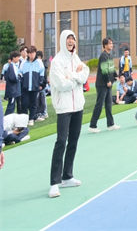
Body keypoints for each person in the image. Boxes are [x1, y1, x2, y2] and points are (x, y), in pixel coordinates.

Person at [48, 29, 90, 198]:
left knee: (73, 141)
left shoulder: (76, 58)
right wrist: (76, 77)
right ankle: (54, 182)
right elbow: (60, 84)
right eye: (68, 39)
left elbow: (85, 75)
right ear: (62, 41)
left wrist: (71, 76)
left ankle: (67, 176)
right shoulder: (57, 62)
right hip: (64, 108)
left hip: (78, 106)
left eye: (73, 39)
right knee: (61, 142)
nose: (71, 42)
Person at [89, 38, 119, 133]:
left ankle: (110, 124)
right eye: (110, 43)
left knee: (109, 104)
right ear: (105, 45)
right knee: (99, 105)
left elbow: (111, 68)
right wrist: (108, 81)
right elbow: (104, 69)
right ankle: (92, 125)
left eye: (112, 43)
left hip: (108, 85)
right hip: (102, 84)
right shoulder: (103, 56)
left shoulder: (109, 55)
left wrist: (116, 75)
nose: (111, 45)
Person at [19, 46, 45, 126]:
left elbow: (42, 74)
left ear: (35, 53)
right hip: (25, 87)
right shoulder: (23, 63)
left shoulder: (39, 62)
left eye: (33, 53)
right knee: (24, 103)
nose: (31, 55)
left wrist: (40, 84)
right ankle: (25, 119)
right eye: (30, 53)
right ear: (28, 54)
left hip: (35, 87)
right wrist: (22, 82)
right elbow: (20, 73)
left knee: (33, 104)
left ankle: (31, 119)